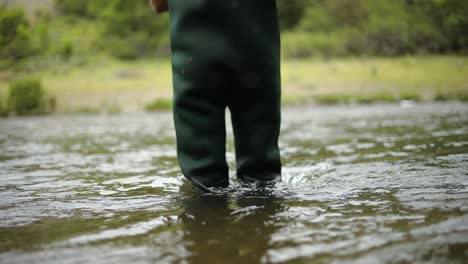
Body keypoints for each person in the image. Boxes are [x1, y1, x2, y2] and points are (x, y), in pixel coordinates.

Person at [150, 0, 282, 191]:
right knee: (263, 180)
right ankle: (262, 215)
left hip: (195, 60)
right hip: (255, 52)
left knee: (202, 181)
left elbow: (159, 4)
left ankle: (205, 215)